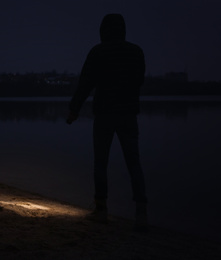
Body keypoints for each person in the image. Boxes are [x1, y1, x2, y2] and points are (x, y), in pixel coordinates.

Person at [67, 14, 148, 231]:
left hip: (104, 114)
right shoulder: (136, 52)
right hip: (129, 114)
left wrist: (74, 110)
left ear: (104, 30)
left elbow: (85, 83)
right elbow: (139, 80)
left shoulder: (98, 52)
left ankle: (101, 210)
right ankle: (141, 213)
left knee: (101, 162)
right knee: (134, 163)